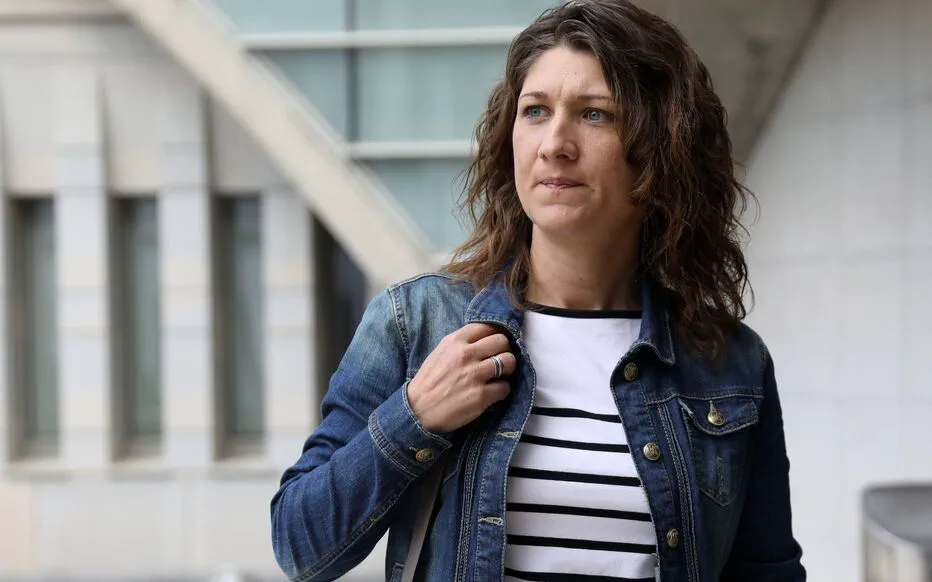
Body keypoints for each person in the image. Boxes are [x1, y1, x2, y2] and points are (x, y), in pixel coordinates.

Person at [270, 1, 806, 580]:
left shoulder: (728, 365)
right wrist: (415, 416)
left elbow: (767, 572)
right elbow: (300, 549)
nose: (555, 143)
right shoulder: (418, 321)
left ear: (661, 148)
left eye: (595, 114)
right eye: (535, 111)